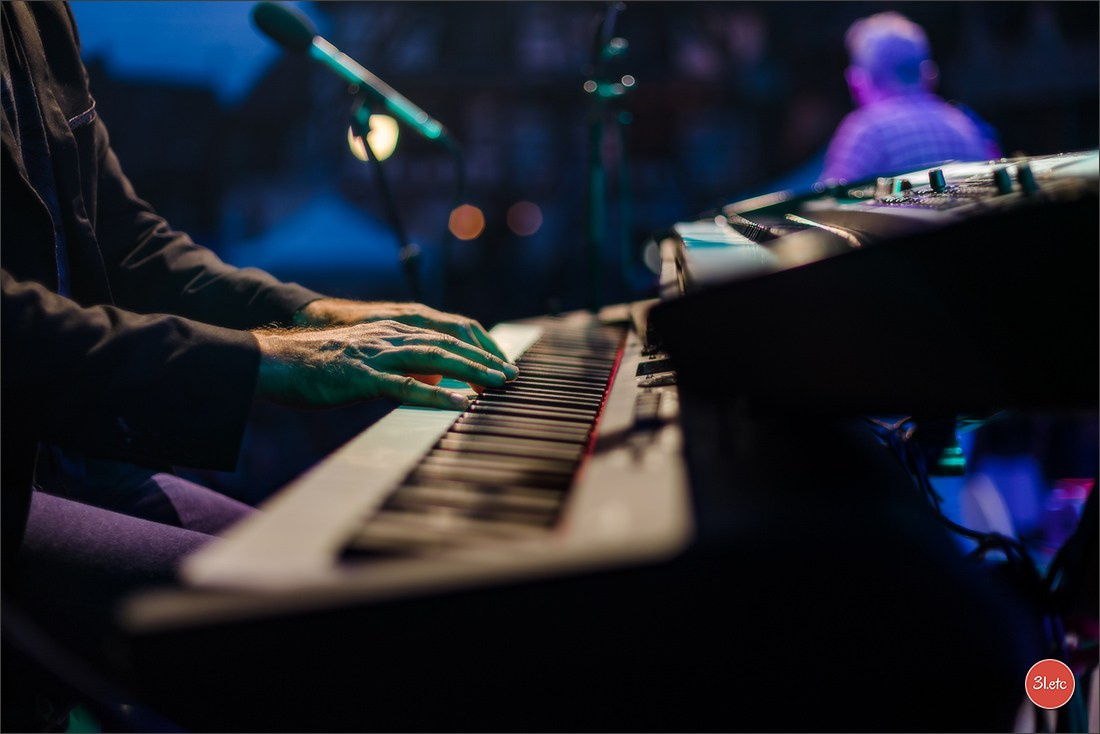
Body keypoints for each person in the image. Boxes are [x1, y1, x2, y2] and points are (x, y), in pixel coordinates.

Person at [0, 0, 517, 689]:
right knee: (304, 627)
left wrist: (318, 316)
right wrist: (261, 357)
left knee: (332, 578)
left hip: (66, 457)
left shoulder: (38, 11)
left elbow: (129, 242)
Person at [820, 11, 1001, 183]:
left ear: (857, 82)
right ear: (930, 74)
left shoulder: (867, 131)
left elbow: (828, 207)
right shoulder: (967, 126)